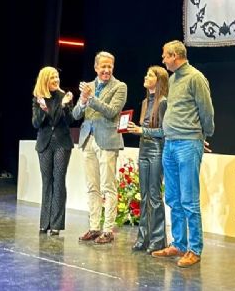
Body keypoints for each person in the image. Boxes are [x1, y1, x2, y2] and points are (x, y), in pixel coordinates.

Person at [151, 40, 214, 267]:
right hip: (170, 144)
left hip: (188, 143)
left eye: (165, 56)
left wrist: (203, 135)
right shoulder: (174, 78)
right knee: (173, 198)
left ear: (175, 55)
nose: (163, 60)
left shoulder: (195, 77)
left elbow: (206, 110)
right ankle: (179, 244)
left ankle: (194, 249)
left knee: (189, 200)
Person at [72, 51, 128, 244]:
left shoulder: (120, 86)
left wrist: (92, 99)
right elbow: (76, 114)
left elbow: (112, 112)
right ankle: (94, 227)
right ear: (95, 68)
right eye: (102, 66)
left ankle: (108, 230)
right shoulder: (89, 86)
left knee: (108, 187)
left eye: (109, 66)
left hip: (107, 140)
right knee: (92, 187)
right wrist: (83, 100)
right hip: (88, 139)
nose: (106, 70)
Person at [126, 66, 169, 254]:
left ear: (158, 80)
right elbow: (145, 127)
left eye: (150, 75)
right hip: (143, 150)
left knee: (154, 196)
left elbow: (165, 131)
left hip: (157, 151)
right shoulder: (145, 102)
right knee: (143, 196)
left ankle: (158, 239)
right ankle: (143, 237)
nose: (146, 77)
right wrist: (135, 128)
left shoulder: (164, 102)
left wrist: (143, 130)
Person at [32, 66, 74, 236]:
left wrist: (64, 106)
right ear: (45, 80)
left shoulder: (65, 97)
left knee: (58, 181)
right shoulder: (38, 98)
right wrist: (43, 110)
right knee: (47, 181)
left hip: (62, 143)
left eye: (57, 77)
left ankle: (56, 224)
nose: (56, 81)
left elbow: (69, 120)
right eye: (52, 78)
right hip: (44, 144)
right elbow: (36, 123)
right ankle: (44, 222)